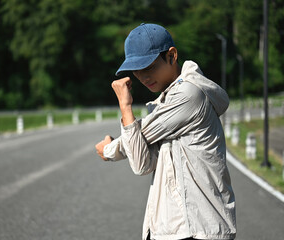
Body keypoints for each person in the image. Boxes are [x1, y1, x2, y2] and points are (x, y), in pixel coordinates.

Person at [95, 23, 236, 240]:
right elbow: (142, 163)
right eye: (137, 70)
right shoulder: (165, 102)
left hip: (198, 226)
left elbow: (138, 144)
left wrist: (112, 142)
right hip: (172, 226)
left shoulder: (189, 95)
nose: (143, 76)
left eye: (149, 67)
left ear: (172, 55)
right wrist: (125, 142)